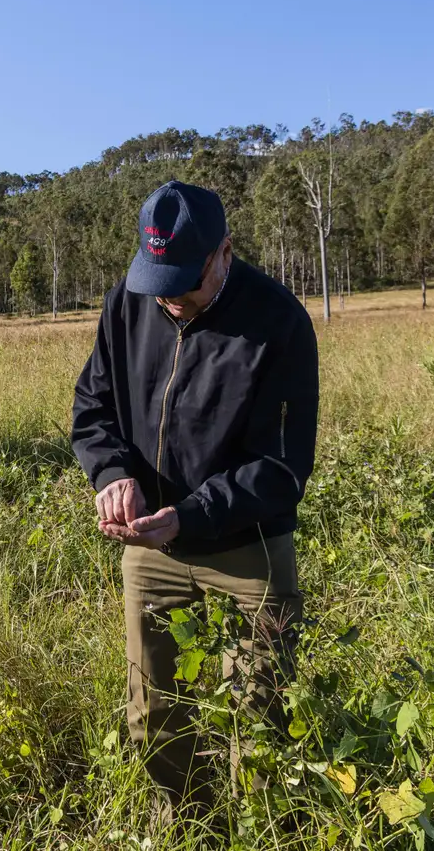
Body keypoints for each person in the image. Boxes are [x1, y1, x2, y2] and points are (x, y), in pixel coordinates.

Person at [70, 179, 318, 811]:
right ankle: (177, 822)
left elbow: (283, 467)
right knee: (151, 711)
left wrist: (193, 515)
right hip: (149, 542)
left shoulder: (278, 320)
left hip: (247, 546)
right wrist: (111, 475)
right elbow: (92, 409)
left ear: (224, 253)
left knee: (260, 720)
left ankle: (257, 826)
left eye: (185, 281)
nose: (171, 300)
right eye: (159, 281)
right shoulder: (127, 303)